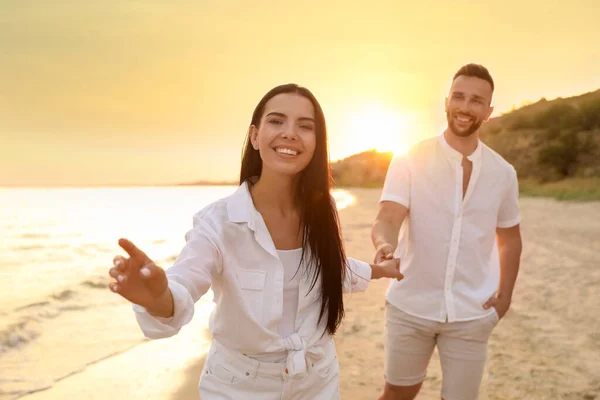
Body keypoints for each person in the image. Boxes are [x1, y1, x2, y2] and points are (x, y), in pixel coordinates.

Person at [108, 83, 403, 400]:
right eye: (276, 121)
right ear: (254, 136)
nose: (290, 133)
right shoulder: (217, 222)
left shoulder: (324, 210)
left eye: (305, 126)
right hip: (240, 385)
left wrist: (379, 270)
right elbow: (185, 281)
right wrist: (157, 297)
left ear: (317, 143)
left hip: (318, 379)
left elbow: (330, 271)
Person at [372, 64, 523, 400]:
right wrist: (384, 243)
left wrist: (504, 298)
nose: (465, 107)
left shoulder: (503, 173)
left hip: (472, 313)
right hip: (410, 306)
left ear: (489, 110)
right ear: (446, 101)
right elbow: (389, 216)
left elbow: (510, 237)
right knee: (397, 393)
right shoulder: (410, 158)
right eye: (459, 96)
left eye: (476, 100)